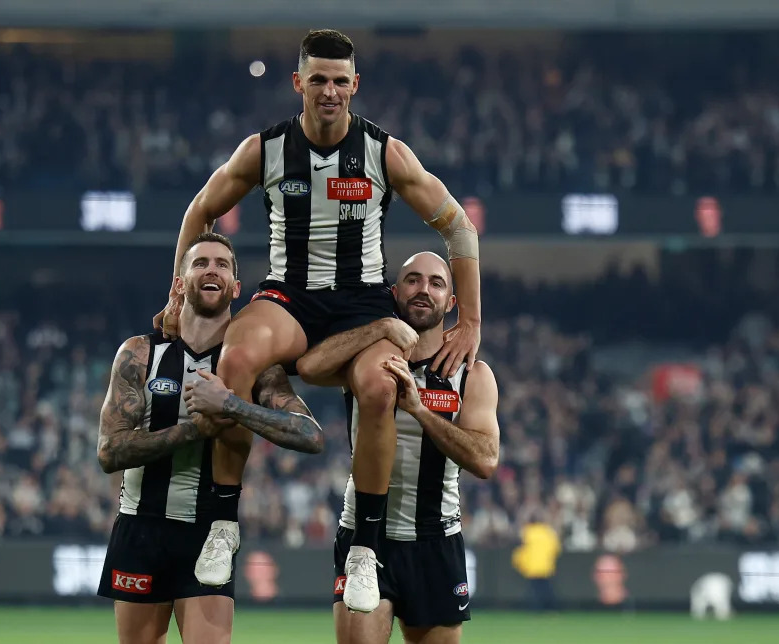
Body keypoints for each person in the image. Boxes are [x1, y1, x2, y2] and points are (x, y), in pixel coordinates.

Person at [155, 29, 482, 612]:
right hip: (291, 297)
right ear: (297, 83)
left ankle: (366, 548)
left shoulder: (384, 153)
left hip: (363, 301)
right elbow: (200, 209)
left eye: (339, 81)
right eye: (318, 80)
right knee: (237, 355)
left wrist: (473, 321)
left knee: (384, 384)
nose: (329, 91)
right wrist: (177, 295)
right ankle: (224, 523)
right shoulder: (266, 150)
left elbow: (458, 225)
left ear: (355, 86)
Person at [97, 232, 323, 644]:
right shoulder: (140, 354)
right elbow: (110, 452)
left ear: (236, 287)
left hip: (209, 533)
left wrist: (232, 405)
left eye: (222, 264)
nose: (211, 269)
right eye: (200, 263)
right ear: (180, 283)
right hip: (140, 527)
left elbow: (311, 435)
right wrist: (193, 430)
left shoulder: (252, 366)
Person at [297, 252, 499, 644]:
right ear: (395, 292)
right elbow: (310, 365)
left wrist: (419, 409)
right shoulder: (366, 360)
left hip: (435, 539)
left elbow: (486, 460)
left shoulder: (471, 374)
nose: (424, 289)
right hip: (366, 538)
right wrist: (380, 329)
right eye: (413, 280)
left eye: (437, 283)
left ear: (451, 303)